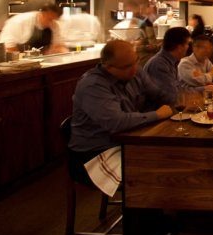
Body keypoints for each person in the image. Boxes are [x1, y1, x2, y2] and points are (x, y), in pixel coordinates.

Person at [69, 40, 173, 173]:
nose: (134, 69)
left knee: (170, 158)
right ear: (108, 67)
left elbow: (158, 94)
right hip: (96, 152)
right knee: (153, 172)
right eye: (127, 66)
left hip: (126, 141)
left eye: (136, 61)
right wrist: (157, 114)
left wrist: (180, 101)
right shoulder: (93, 85)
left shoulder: (135, 71)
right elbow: (116, 122)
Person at [143, 27, 192, 104]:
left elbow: (179, 89)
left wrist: (203, 89)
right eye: (187, 44)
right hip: (159, 110)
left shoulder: (171, 61)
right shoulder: (159, 64)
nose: (188, 47)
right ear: (179, 47)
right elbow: (170, 97)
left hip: (169, 107)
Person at [0, 3, 67, 54]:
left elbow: (59, 44)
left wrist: (63, 52)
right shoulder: (20, 21)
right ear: (42, 14)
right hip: (18, 61)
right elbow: (8, 45)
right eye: (49, 19)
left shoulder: (54, 24)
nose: (51, 23)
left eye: (54, 20)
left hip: (43, 61)